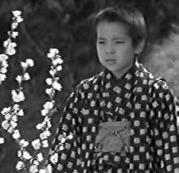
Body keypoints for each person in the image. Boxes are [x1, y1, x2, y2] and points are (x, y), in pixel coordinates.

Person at [49, 5, 179, 173]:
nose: (108, 50)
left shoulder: (157, 94)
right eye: (102, 42)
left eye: (118, 42)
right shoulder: (84, 94)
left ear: (138, 45)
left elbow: (173, 159)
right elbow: (62, 160)